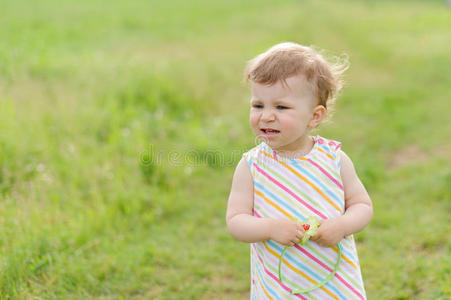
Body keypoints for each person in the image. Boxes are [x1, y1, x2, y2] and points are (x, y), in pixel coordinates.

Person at [226, 42, 373, 299]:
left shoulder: (334, 160)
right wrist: (270, 228)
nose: (266, 116)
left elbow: (362, 206)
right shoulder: (251, 166)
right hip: (279, 286)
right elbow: (236, 221)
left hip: (335, 283)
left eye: (281, 107)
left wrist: (342, 225)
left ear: (315, 116)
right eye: (258, 105)